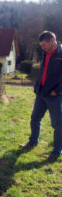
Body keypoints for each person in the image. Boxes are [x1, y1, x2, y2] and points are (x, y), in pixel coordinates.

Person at [21, 31, 62, 161]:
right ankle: (33, 142)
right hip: (41, 93)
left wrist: (57, 91)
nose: (42, 48)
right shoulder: (45, 53)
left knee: (58, 124)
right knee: (34, 118)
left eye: (44, 45)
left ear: (52, 41)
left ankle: (57, 151)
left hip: (55, 95)